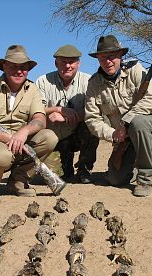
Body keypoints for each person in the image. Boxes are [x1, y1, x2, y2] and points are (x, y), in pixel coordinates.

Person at [0, 45, 58, 202]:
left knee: (49, 137)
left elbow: (40, 120)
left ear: (28, 69)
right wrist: (7, 138)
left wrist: (23, 132)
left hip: (20, 141)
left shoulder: (32, 89)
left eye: (23, 67)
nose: (19, 71)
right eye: (13, 66)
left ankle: (18, 182)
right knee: (2, 155)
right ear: (4, 66)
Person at [85, 35, 152, 197]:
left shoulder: (135, 69)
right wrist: (113, 135)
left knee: (138, 124)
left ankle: (145, 178)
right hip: (124, 137)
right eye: (102, 57)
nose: (107, 61)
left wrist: (125, 123)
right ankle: (145, 156)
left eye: (111, 57)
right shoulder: (94, 83)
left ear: (120, 56)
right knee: (115, 179)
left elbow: (151, 100)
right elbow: (92, 119)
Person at [36, 44, 99, 183]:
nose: (68, 66)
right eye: (63, 62)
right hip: (53, 138)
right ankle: (65, 166)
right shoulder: (43, 81)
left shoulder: (89, 81)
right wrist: (57, 109)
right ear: (56, 63)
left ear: (78, 63)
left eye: (72, 62)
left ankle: (84, 169)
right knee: (55, 178)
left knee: (92, 125)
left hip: (77, 133)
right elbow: (35, 110)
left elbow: (93, 109)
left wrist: (66, 118)